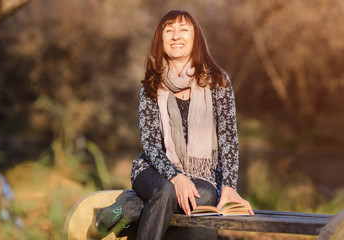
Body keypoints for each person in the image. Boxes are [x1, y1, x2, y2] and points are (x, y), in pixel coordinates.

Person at [91, 9, 254, 240]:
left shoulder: (218, 81)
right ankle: (145, 200)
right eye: (169, 31)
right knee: (166, 191)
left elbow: (228, 138)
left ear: (195, 38)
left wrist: (229, 186)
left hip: (202, 177)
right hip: (154, 171)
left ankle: (129, 208)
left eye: (184, 30)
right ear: (161, 41)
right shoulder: (151, 86)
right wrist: (178, 177)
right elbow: (150, 144)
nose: (176, 36)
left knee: (205, 195)